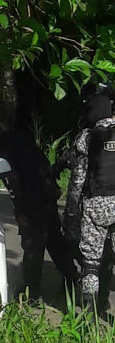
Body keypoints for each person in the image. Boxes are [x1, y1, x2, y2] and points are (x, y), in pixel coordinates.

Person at [0, 122, 79, 300]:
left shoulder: (5, 148)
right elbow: (41, 165)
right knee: (54, 239)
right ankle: (71, 277)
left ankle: (32, 293)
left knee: (33, 244)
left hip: (33, 199)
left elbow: (15, 181)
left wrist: (21, 210)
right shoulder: (18, 140)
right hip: (46, 193)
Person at [64, 87, 115, 313]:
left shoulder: (86, 138)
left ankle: (88, 317)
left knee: (91, 263)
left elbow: (78, 180)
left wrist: (72, 212)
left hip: (97, 204)